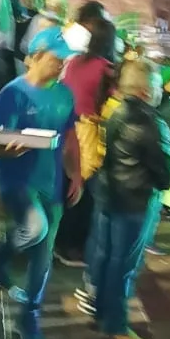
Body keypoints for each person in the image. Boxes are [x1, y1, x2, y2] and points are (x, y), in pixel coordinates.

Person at [0, 28, 81, 339]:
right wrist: (10, 149)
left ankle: (30, 316)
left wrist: (76, 174)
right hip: (17, 180)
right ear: (36, 57)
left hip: (51, 181)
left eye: (65, 60)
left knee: (43, 254)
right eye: (57, 59)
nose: (61, 65)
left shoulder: (64, 95)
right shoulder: (13, 93)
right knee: (35, 228)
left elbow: (70, 138)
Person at [91, 59, 170, 339]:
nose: (161, 91)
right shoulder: (153, 124)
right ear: (145, 91)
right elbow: (165, 174)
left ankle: (102, 313)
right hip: (136, 202)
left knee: (106, 258)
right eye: (158, 86)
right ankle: (117, 327)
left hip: (109, 194)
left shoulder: (116, 111)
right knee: (124, 266)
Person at [55, 17, 115, 267]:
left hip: (66, 128)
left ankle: (59, 241)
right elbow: (111, 107)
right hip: (87, 135)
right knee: (84, 193)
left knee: (67, 186)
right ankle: (72, 248)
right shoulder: (106, 69)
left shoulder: (73, 62)